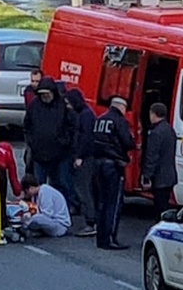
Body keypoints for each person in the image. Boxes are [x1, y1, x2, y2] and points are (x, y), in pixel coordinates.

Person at [92, 96, 135, 250]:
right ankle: (110, 237)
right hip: (114, 165)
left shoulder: (100, 119)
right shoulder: (120, 121)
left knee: (102, 202)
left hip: (98, 164)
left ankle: (100, 237)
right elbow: (128, 143)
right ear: (122, 107)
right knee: (114, 203)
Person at [23, 77, 74, 201]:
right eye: (42, 94)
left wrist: (64, 142)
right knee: (38, 184)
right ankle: (39, 208)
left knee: (61, 184)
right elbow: (27, 126)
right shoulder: (34, 106)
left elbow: (71, 126)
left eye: (47, 94)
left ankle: (61, 208)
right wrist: (32, 143)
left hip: (60, 155)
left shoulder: (63, 106)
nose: (45, 97)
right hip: (39, 154)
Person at [65, 88, 98, 237]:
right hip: (85, 156)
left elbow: (85, 138)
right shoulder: (86, 114)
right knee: (84, 188)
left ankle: (91, 221)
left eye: (69, 103)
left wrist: (80, 156)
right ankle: (91, 219)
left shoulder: (85, 116)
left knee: (82, 188)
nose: (68, 106)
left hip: (85, 157)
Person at [141, 102, 178, 220]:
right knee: (164, 206)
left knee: (159, 208)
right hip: (170, 175)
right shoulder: (169, 130)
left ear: (153, 114)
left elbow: (152, 156)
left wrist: (146, 176)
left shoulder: (155, 133)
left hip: (159, 177)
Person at [0, 141, 21, 230]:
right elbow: (12, 175)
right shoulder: (8, 153)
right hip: (0, 171)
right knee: (1, 198)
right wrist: (17, 192)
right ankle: (2, 222)